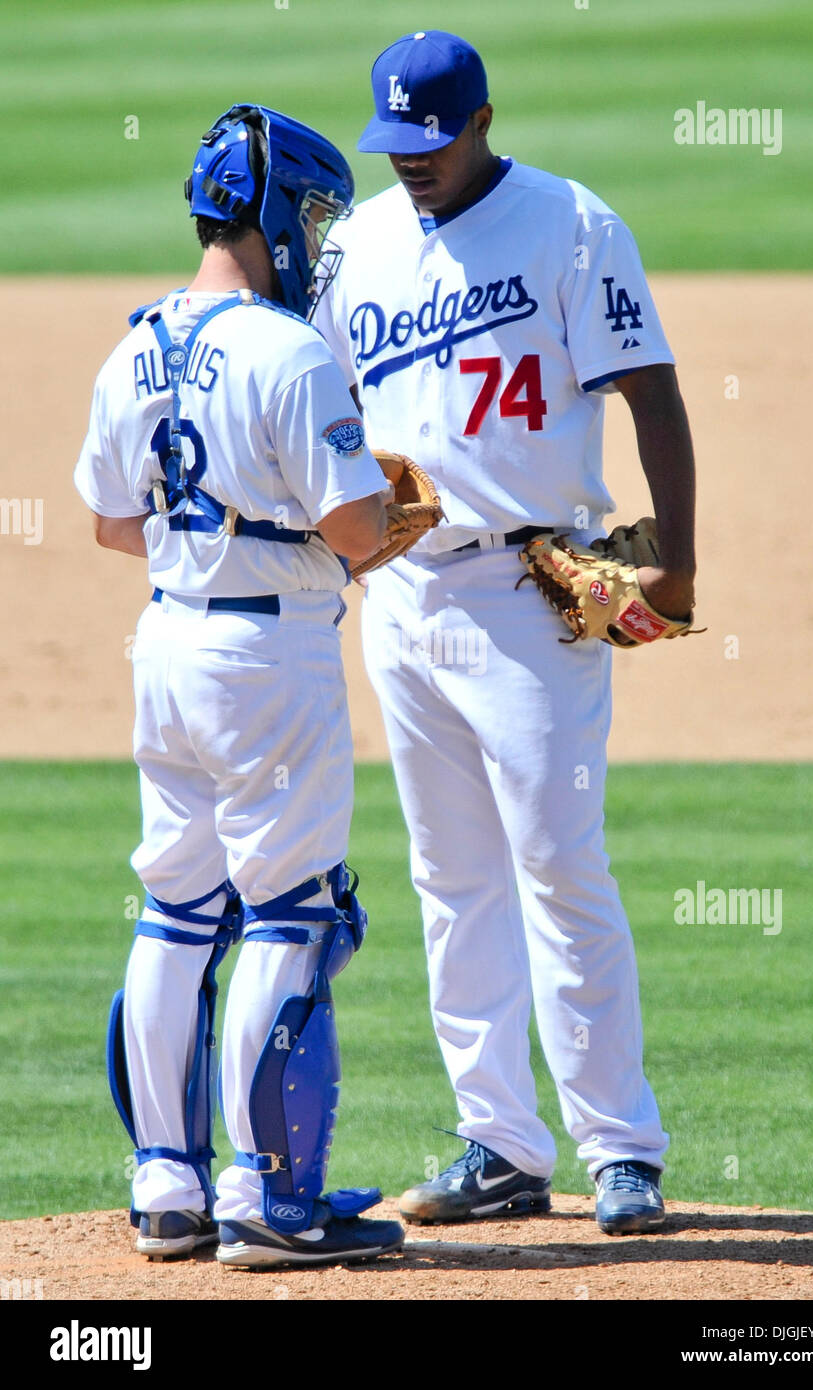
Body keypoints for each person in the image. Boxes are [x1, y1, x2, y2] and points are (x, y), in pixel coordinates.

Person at [316, 31, 697, 1234]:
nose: (411, 164)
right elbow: (320, 403)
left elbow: (652, 390)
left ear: (480, 119)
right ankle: (497, 1143)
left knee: (558, 861)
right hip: (405, 593)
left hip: (534, 594)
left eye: (430, 141)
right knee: (450, 877)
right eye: (395, 145)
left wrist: (675, 563)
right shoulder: (356, 243)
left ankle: (619, 1148)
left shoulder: (571, 225)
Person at [74, 102, 405, 1268]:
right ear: (267, 214)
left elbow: (114, 525)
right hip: (268, 658)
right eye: (310, 213)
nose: (315, 237)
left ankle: (164, 1184)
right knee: (290, 912)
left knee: (176, 907)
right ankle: (268, 1199)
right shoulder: (287, 348)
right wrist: (398, 514)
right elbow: (358, 529)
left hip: (165, 642)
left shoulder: (134, 343)